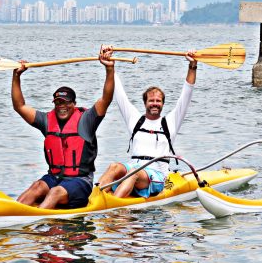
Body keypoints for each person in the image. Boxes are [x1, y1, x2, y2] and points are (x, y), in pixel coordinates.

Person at [11, 45, 115, 209]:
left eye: (65, 103)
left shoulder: (86, 120)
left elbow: (106, 99)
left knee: (55, 192)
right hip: (55, 177)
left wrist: (109, 69)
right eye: (58, 103)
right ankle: (12, 214)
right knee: (36, 187)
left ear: (74, 104)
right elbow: (19, 106)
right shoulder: (46, 120)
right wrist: (16, 76)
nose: (61, 106)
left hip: (81, 182)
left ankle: (37, 221)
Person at [97, 50, 197, 198]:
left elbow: (186, 93)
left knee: (133, 173)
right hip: (133, 168)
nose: (154, 104)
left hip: (156, 176)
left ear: (163, 104)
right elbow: (119, 93)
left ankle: (113, 207)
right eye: (151, 101)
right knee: (114, 167)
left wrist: (192, 66)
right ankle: (95, 200)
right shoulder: (135, 119)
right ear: (145, 103)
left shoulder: (170, 122)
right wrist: (110, 67)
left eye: (158, 101)